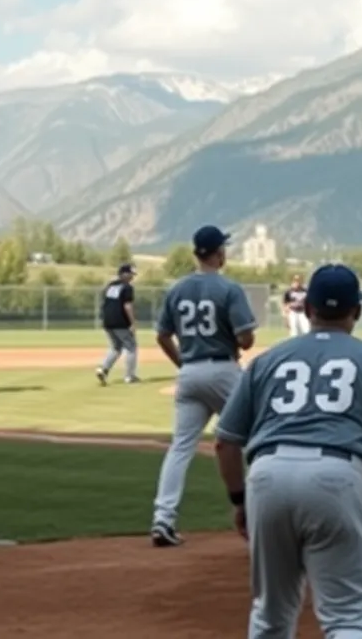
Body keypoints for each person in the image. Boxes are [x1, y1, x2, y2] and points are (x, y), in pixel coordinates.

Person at [215, 263, 362, 638]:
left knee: (270, 615)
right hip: (336, 478)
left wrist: (240, 500)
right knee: (349, 618)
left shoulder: (267, 361)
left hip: (267, 477)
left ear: (307, 310)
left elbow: (226, 441)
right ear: (358, 311)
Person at [150, 225, 257, 547]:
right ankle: (263, 515)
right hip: (223, 369)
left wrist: (182, 362)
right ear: (219, 253)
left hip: (190, 372)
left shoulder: (177, 289)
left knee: (180, 447)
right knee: (257, 440)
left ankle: (163, 519)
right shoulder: (229, 288)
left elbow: (162, 335)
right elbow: (246, 339)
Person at [95, 263, 141, 385]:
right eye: (130, 274)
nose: (132, 277)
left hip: (108, 321)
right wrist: (133, 322)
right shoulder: (127, 287)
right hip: (120, 321)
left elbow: (105, 302)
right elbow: (127, 305)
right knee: (131, 347)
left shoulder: (110, 286)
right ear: (124, 274)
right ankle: (129, 376)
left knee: (116, 347)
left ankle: (103, 369)